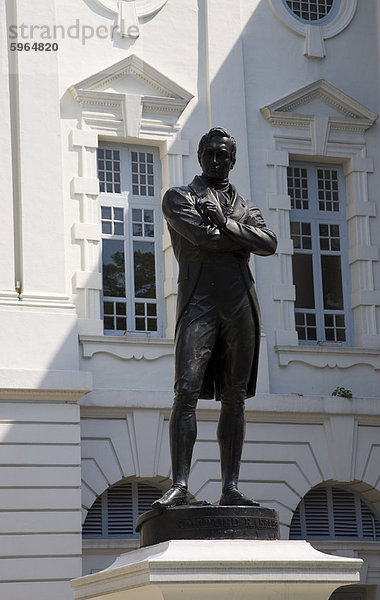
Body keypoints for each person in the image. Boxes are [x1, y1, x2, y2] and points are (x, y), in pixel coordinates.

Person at [153, 128, 277, 509]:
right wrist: (242, 238)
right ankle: (179, 484)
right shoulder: (179, 197)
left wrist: (223, 222)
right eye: (210, 153)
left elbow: (269, 243)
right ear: (201, 156)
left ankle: (231, 486)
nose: (216, 160)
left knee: (235, 398)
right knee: (186, 391)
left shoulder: (242, 205)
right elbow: (203, 240)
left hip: (240, 305)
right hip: (199, 303)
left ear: (233, 160)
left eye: (224, 155)